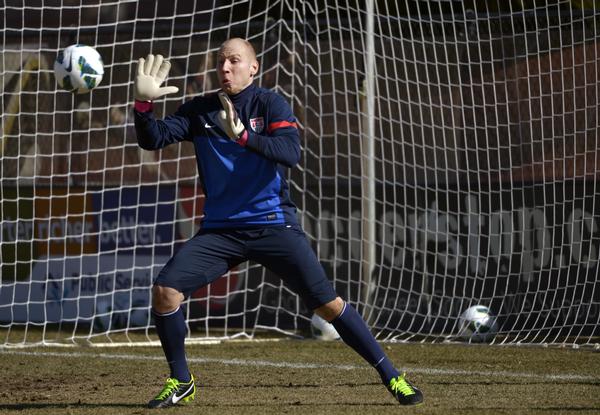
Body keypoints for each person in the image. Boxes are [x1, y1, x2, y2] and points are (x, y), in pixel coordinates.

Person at [133, 37, 423, 409]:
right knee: (165, 292)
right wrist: (144, 106)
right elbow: (152, 140)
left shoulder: (269, 103)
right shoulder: (199, 109)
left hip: (273, 224)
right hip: (221, 231)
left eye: (234, 61)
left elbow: (290, 153)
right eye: (221, 62)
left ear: (253, 68)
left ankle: (393, 376)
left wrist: (243, 135)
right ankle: (181, 380)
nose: (225, 68)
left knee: (329, 306)